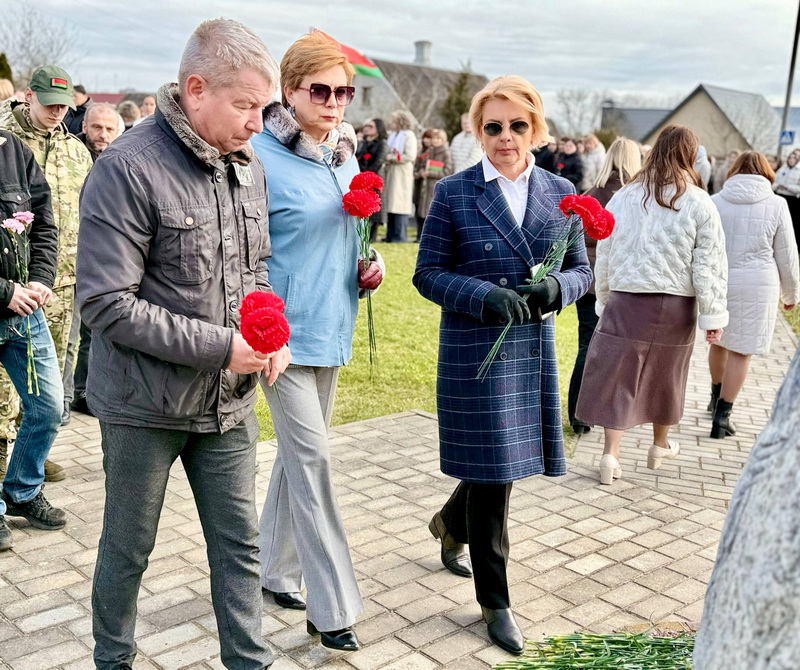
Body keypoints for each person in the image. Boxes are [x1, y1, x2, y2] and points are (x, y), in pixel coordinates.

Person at [77, 19, 284, 669]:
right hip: (145, 406)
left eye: (264, 107)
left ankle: (247, 662)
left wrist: (266, 331)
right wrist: (223, 345)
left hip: (228, 404)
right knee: (129, 547)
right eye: (247, 105)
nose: (258, 123)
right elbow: (105, 304)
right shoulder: (128, 167)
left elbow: (256, 271)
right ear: (197, 89)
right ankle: (113, 660)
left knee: (240, 546)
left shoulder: (247, 166)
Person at [414, 75, 591, 655]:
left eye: (518, 125)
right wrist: (482, 296)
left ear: (536, 129)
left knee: (500, 467)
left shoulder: (561, 191)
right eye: (493, 127)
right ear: (477, 131)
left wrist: (556, 290)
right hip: (476, 351)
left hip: (530, 350)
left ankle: (449, 524)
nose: (506, 137)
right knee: (495, 475)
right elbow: (428, 273)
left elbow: (583, 271)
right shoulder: (454, 192)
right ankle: (496, 601)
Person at [251, 31, 383, 654]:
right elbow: (244, 249)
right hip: (279, 337)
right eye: (321, 90)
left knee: (298, 459)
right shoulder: (257, 156)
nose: (334, 103)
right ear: (289, 91)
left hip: (333, 324)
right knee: (314, 462)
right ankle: (332, 608)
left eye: (344, 92)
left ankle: (272, 572)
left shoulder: (344, 156)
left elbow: (338, 237)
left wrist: (368, 261)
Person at [576, 125, 728, 485]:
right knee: (666, 374)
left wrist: (605, 296)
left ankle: (610, 456)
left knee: (619, 376)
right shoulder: (697, 200)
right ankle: (659, 445)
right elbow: (709, 263)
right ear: (690, 156)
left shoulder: (625, 196)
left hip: (628, 300)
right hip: (676, 304)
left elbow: (607, 251)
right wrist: (712, 314)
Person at [0, 65, 92, 480]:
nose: (58, 111)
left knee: (52, 378)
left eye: (64, 105)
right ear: (28, 96)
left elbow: (75, 214)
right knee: (6, 388)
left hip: (59, 281)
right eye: (50, 103)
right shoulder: (9, 140)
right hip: (10, 286)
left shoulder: (76, 150)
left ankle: (28, 458)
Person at [0, 130, 64, 551]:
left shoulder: (14, 151)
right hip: (8, 299)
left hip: (26, 313)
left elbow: (44, 224)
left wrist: (40, 280)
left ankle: (21, 489)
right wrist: (4, 292)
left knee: (49, 407)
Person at [707, 152, 800, 438]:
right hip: (759, 283)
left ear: (734, 170)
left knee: (719, 342)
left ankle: (714, 397)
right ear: (767, 171)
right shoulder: (777, 204)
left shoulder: (715, 201)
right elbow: (786, 253)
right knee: (742, 350)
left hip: (721, 281)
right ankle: (723, 416)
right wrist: (791, 293)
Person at [568, 137, 641, 435]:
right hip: (621, 283)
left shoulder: (593, 193)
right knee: (617, 351)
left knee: (586, 345)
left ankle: (578, 413)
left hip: (588, 280)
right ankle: (606, 412)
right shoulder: (636, 197)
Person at [62, 102, 124, 422]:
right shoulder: (71, 156)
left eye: (109, 128)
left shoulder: (121, 162)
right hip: (70, 258)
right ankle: (67, 396)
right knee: (71, 334)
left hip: (107, 260)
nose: (102, 134)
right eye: (97, 127)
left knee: (93, 331)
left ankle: (85, 389)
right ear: (85, 126)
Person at [383, 109, 418, 242]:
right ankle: (390, 235)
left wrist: (392, 157)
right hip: (391, 171)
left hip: (402, 171)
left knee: (399, 202)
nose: (391, 123)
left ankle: (399, 236)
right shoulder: (393, 135)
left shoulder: (408, 135)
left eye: (393, 120)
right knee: (391, 202)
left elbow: (410, 155)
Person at [413, 128, 453, 241]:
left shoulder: (446, 153)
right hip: (424, 187)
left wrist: (430, 173)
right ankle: (419, 235)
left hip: (435, 187)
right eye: (434, 138)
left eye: (438, 138)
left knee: (433, 213)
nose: (435, 141)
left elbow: (448, 171)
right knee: (421, 212)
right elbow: (420, 165)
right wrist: (421, 172)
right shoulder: (428, 152)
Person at [356, 117, 388, 241]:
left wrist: (368, 175)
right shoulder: (364, 142)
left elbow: (379, 161)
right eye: (366, 126)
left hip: (374, 178)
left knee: (374, 208)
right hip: (362, 177)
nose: (367, 129)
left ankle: (372, 237)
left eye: (371, 127)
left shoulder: (382, 143)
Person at [773, 149, 800, 249]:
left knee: (789, 223)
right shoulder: (782, 169)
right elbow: (774, 181)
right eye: (791, 157)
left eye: (795, 157)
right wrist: (778, 186)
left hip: (792, 200)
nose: (792, 159)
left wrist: (788, 187)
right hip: (779, 196)